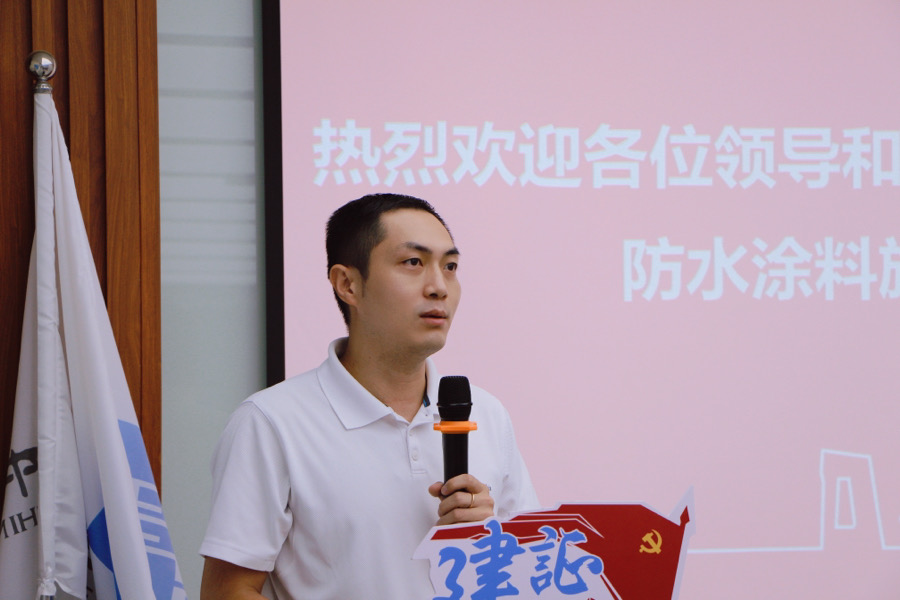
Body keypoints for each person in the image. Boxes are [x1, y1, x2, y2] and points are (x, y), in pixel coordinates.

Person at [199, 193, 538, 600]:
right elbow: (227, 591)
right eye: (413, 262)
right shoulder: (270, 422)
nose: (439, 287)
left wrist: (493, 537)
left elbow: (534, 573)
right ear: (348, 284)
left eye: (450, 266)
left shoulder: (487, 413)